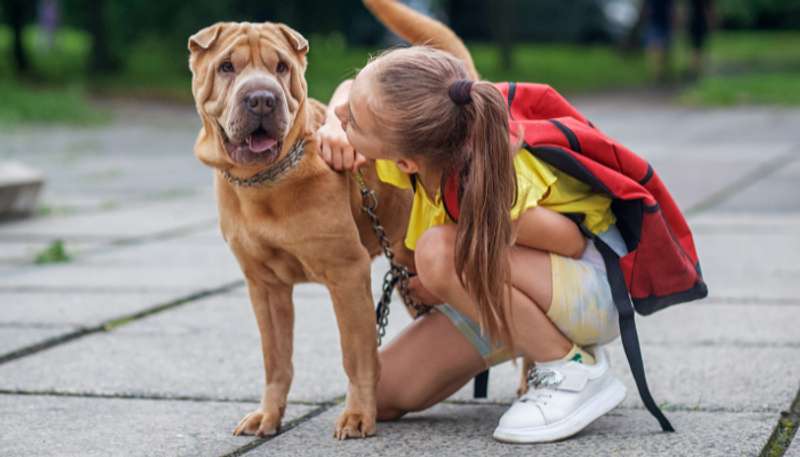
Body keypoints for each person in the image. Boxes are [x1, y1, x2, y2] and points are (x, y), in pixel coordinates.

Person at [316, 46, 628, 444]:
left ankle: (572, 369)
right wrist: (331, 118)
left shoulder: (490, 175)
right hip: (510, 286)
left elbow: (568, 243)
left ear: (404, 162)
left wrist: (449, 271)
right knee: (379, 392)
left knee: (436, 252)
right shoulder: (426, 149)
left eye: (353, 123)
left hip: (595, 286)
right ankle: (534, 336)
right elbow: (347, 90)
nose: (343, 118)